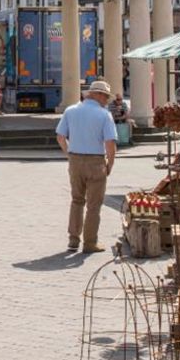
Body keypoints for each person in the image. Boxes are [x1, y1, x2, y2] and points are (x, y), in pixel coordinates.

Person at [55, 81, 118, 253]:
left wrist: (70, 154)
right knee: (94, 205)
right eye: (105, 96)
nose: (106, 100)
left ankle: (73, 240)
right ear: (96, 95)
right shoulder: (104, 115)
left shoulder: (71, 111)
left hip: (75, 160)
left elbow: (60, 137)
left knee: (77, 200)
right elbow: (110, 143)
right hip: (96, 161)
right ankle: (90, 242)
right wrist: (110, 163)